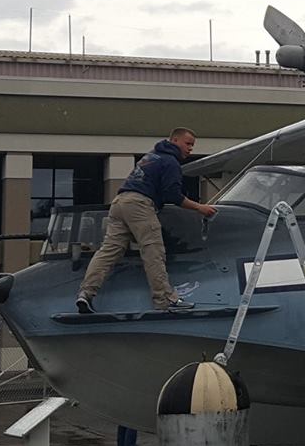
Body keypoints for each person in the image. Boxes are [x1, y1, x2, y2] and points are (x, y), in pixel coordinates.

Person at [77, 128, 219, 313]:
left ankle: (85, 293)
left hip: (119, 202)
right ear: (174, 141)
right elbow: (173, 195)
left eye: (192, 145)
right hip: (140, 205)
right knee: (153, 250)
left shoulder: (150, 157)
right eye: (188, 143)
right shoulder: (170, 162)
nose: (191, 148)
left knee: (109, 251)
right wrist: (200, 208)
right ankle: (165, 300)